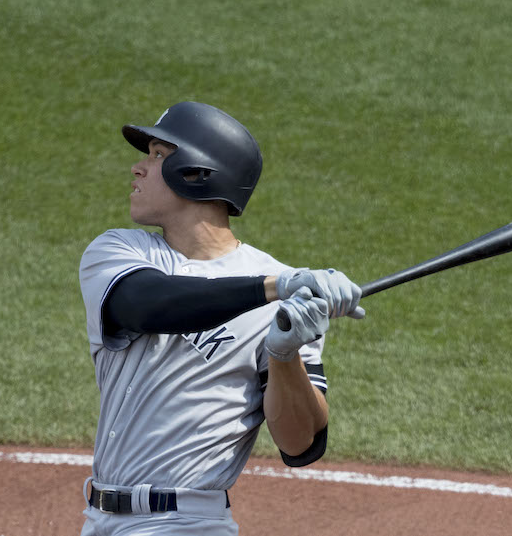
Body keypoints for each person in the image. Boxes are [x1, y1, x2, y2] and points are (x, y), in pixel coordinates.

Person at [78, 101, 364, 535]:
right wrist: (273, 287)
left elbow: (301, 444)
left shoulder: (285, 302)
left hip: (188, 523)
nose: (138, 168)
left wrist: (284, 352)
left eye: (157, 155)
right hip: (99, 520)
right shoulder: (121, 252)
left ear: (196, 172)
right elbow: (151, 305)